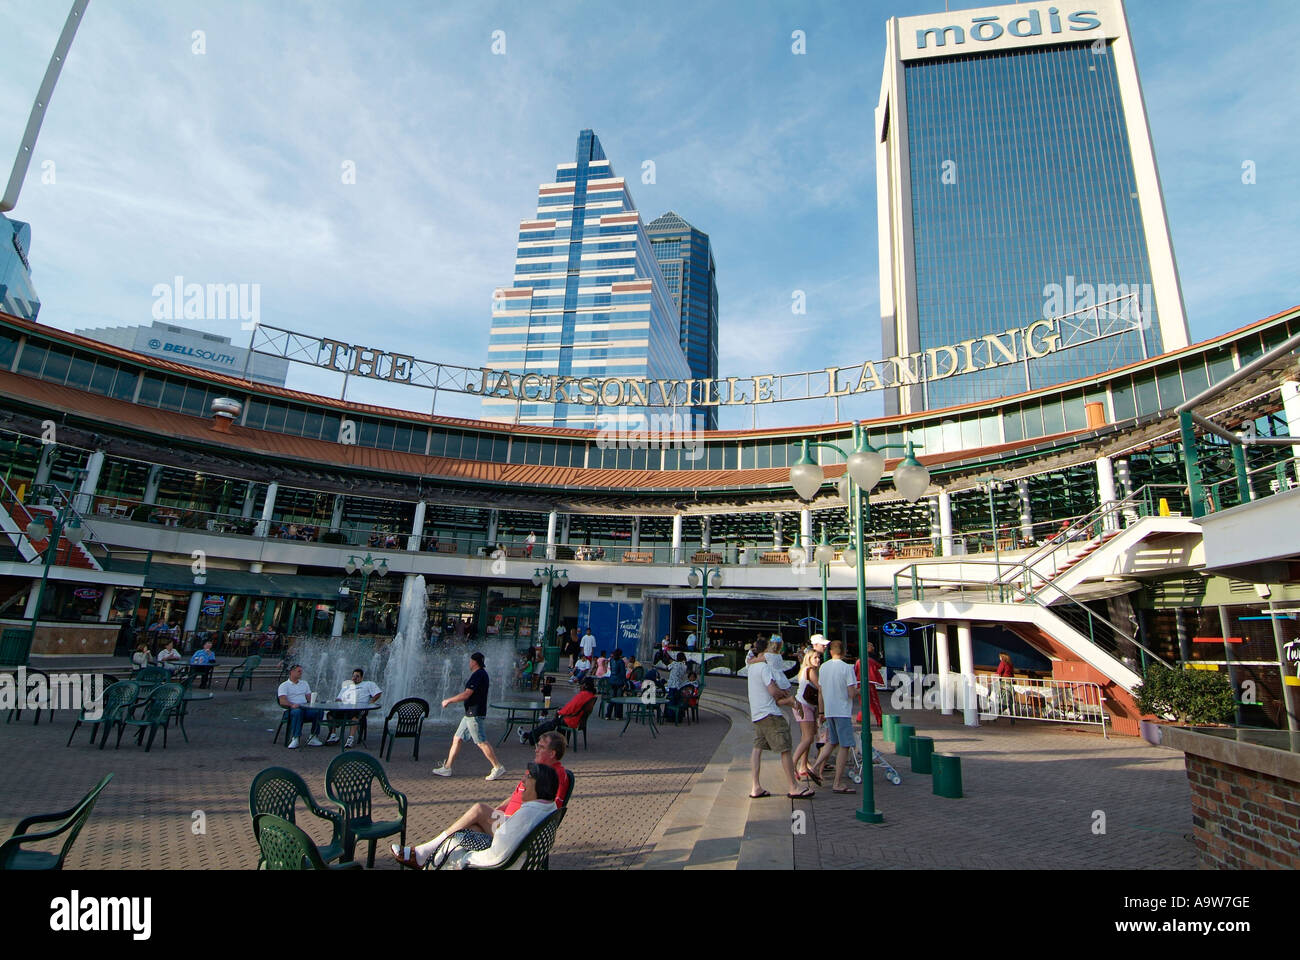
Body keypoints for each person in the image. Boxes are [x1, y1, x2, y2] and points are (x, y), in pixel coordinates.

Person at [392, 761, 561, 869]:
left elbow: (498, 856)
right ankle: (424, 855)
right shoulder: (546, 807)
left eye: (528, 778)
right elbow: (511, 835)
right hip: (514, 838)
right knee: (475, 821)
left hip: (508, 854)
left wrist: (467, 859)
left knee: (464, 832)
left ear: (539, 785)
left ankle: (424, 855)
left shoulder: (528, 813)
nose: (522, 781)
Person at [747, 638, 809, 799]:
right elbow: (773, 692)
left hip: (757, 713)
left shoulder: (751, 668)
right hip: (770, 714)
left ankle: (756, 786)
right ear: (766, 649)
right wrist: (784, 695)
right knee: (785, 749)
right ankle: (793, 787)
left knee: (757, 748)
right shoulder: (764, 667)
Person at [431, 652, 507, 781]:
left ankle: (497, 767)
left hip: (474, 714)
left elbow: (467, 694)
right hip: (469, 714)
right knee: (457, 738)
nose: (469, 663)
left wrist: (449, 700)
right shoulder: (482, 674)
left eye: (470, 661)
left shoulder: (478, 675)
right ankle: (447, 767)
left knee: (481, 742)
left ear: (474, 662)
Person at [810, 641, 860, 793]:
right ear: (844, 652)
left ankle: (815, 767)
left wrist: (822, 712)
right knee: (844, 746)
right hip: (842, 710)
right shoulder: (847, 668)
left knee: (832, 742)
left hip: (830, 709)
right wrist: (860, 691)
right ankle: (837, 783)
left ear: (830, 652)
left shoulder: (824, 667)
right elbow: (851, 693)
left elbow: (821, 690)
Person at [521, 679, 596, 744]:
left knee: (550, 724)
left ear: (585, 686)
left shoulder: (582, 695)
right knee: (552, 723)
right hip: (578, 720)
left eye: (581, 684)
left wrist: (560, 712)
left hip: (571, 720)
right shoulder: (591, 696)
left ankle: (530, 736)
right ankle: (531, 736)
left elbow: (571, 707)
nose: (580, 686)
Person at [326, 667, 382, 747]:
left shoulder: (368, 684)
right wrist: (338, 703)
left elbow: (378, 693)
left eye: (357, 676)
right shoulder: (347, 686)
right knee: (330, 714)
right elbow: (338, 698)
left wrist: (370, 703)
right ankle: (333, 735)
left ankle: (350, 738)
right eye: (353, 676)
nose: (354, 678)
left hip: (359, 709)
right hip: (345, 708)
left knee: (354, 715)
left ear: (362, 678)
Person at [792, 644, 823, 785]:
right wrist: (821, 711)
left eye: (819, 657)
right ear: (809, 658)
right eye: (815, 657)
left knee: (807, 737)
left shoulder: (805, 670)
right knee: (808, 737)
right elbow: (820, 688)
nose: (818, 660)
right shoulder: (810, 670)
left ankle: (803, 765)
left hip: (806, 705)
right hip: (804, 705)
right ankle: (792, 765)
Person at [277, 664, 325, 749]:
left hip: (305, 709)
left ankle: (313, 736)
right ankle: (295, 738)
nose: (300, 673)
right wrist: (292, 705)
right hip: (292, 710)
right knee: (297, 712)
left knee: (319, 711)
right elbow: (282, 701)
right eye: (299, 671)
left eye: (301, 672)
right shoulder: (284, 685)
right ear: (292, 672)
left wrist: (315, 701)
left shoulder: (304, 683)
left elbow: (309, 697)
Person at [605, 647, 628, 720]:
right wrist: (625, 683)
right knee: (618, 699)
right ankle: (618, 715)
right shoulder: (621, 662)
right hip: (619, 682)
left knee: (612, 698)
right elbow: (622, 673)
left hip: (612, 680)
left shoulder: (611, 660)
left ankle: (608, 715)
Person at [995, 651, 1015, 717]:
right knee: (1009, 699)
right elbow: (1012, 673)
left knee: (1003, 698)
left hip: (1004, 682)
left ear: (1002, 657)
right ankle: (1012, 715)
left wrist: (994, 679)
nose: (999, 658)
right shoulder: (1010, 663)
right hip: (1010, 682)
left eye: (1000, 657)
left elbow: (999, 672)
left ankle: (998, 712)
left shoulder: (1002, 663)